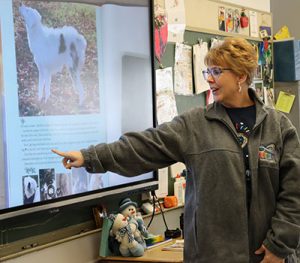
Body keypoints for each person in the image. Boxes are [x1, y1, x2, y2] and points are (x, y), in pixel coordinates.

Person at [52, 37, 300, 263]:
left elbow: (294, 193)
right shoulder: (194, 125)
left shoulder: (278, 127)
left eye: (216, 71)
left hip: (268, 257)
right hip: (212, 256)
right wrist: (90, 156)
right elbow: (144, 146)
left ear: (241, 76)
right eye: (207, 71)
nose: (209, 79)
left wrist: (279, 246)